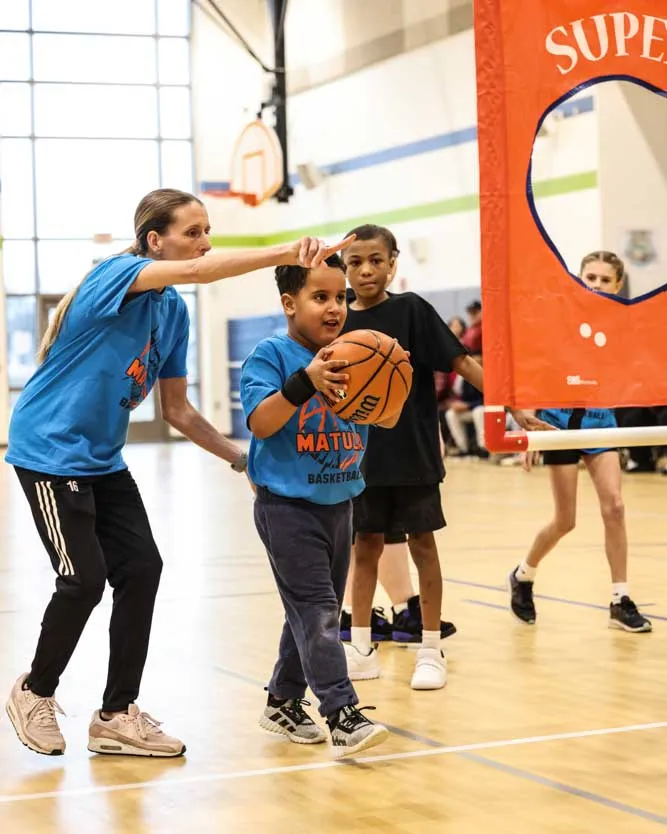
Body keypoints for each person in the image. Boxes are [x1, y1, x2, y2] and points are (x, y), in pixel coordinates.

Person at [4, 187, 351, 758]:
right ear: (154, 241)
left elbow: (178, 410)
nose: (204, 242)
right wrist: (285, 252)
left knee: (143, 568)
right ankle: (35, 691)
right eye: (193, 232)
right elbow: (201, 272)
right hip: (48, 452)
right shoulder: (115, 275)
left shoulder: (172, 313)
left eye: (208, 231)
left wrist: (240, 459)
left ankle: (116, 714)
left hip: (101, 459)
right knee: (84, 580)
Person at [340, 224, 545, 690]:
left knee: (423, 544)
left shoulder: (412, 310)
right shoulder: (339, 319)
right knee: (365, 546)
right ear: (345, 268)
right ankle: (361, 647)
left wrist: (512, 407)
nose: (366, 270)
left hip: (412, 450)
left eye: (376, 260)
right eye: (355, 262)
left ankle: (431, 648)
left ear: (393, 262)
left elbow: (463, 364)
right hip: (360, 457)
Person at [241, 252, 400, 758]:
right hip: (286, 507)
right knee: (318, 610)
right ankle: (341, 712)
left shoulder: (356, 353)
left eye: (341, 297)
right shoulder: (271, 355)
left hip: (339, 501)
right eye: (320, 297)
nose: (335, 307)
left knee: (312, 609)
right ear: (289, 303)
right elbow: (260, 422)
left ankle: (282, 701)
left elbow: (383, 418)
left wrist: (390, 386)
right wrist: (304, 381)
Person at [508, 250, 651, 633]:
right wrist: (531, 429)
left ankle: (620, 598)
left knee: (615, 507)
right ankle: (523, 575)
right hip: (558, 425)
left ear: (618, 285)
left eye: (605, 280)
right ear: (579, 279)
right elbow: (536, 372)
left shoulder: (625, 325)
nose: (597, 285)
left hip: (601, 423)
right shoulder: (560, 321)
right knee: (565, 520)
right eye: (591, 277)